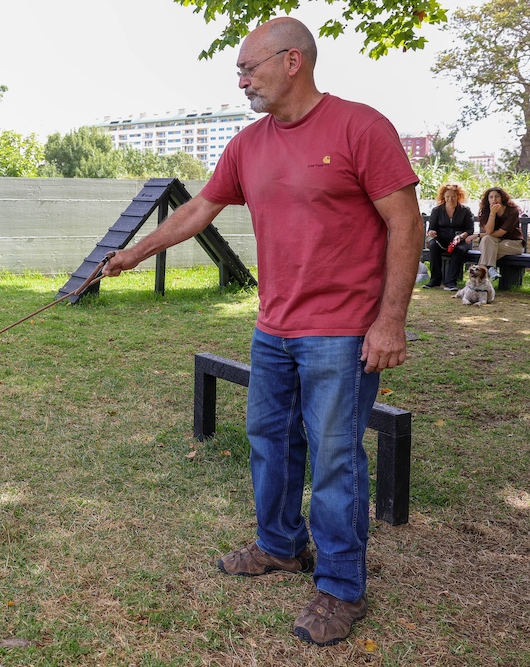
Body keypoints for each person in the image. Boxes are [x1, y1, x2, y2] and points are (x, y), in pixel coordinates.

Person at [103, 17, 424, 646]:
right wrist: (135, 255)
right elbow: (198, 209)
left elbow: (406, 224)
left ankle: (339, 586)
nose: (243, 80)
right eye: (241, 72)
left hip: (342, 330)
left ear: (294, 62)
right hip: (273, 327)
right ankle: (280, 546)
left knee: (334, 456)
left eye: (251, 67)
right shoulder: (248, 144)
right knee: (270, 442)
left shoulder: (360, 126)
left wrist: (391, 320)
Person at [423, 183, 474, 291]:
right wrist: (432, 232)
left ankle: (451, 282)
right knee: (433, 245)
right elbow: (432, 228)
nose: (450, 199)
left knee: (459, 250)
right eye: (447, 197)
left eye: (453, 196)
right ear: (443, 197)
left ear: (458, 196)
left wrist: (461, 236)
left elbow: (470, 230)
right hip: (441, 240)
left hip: (460, 240)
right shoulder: (437, 210)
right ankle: (435, 280)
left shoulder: (465, 211)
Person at [470, 187, 524, 281]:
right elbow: (489, 232)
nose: (494, 199)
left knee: (487, 245)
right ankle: (491, 269)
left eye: (497, 196)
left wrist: (478, 235)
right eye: (491, 197)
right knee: (487, 240)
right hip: (493, 241)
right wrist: (492, 214)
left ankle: (482, 271)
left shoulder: (512, 211)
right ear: (488, 199)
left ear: (502, 197)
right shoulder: (486, 211)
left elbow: (500, 233)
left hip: (513, 244)